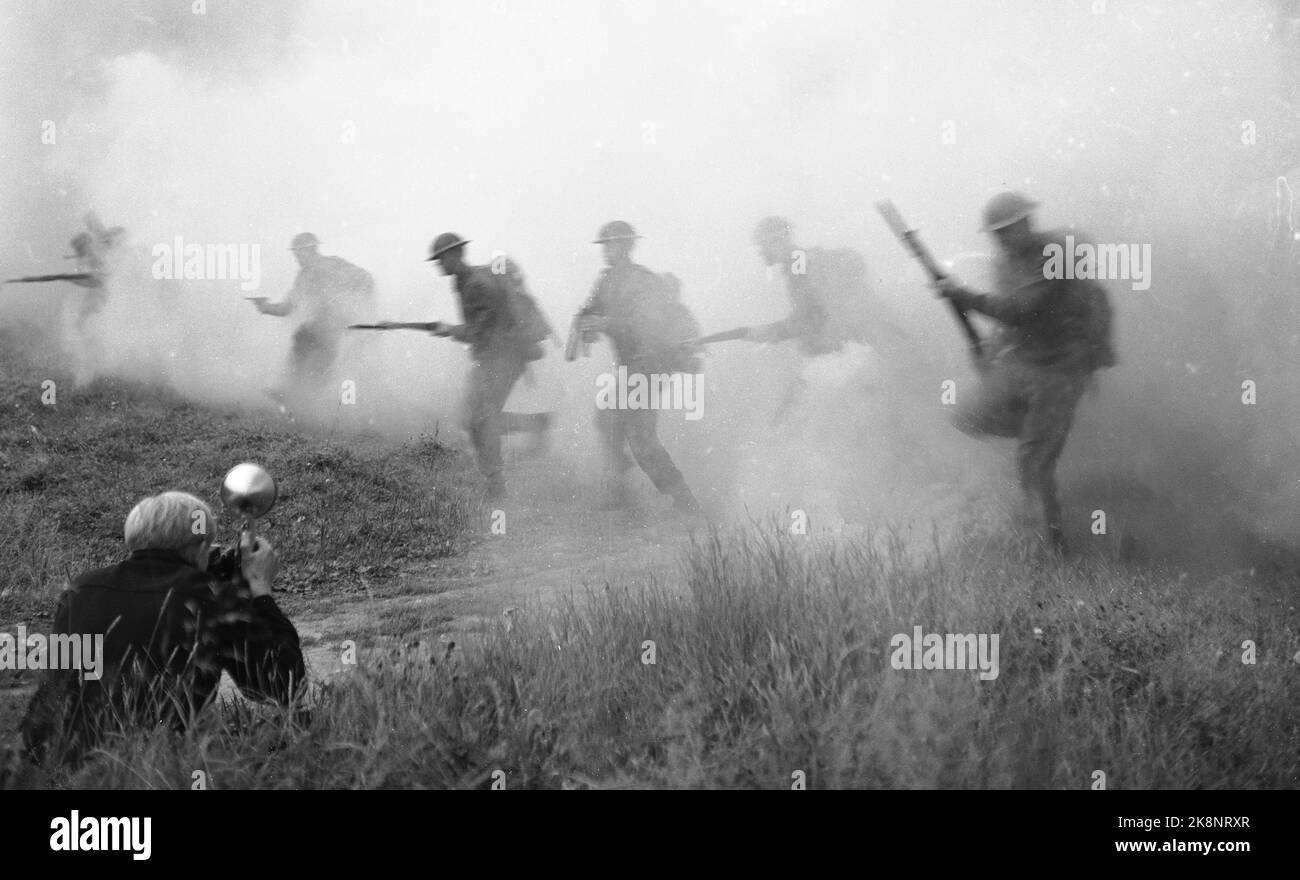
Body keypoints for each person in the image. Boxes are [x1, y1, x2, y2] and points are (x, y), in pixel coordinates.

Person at [19, 491, 305, 766]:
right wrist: (259, 590)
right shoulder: (209, 595)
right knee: (290, 732)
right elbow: (283, 685)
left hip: (62, 758)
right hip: (158, 764)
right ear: (200, 547)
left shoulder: (81, 588)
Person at [934, 191, 1117, 554]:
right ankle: (1038, 431)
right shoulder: (1008, 264)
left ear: (1028, 223)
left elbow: (1023, 309)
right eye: (997, 234)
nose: (1002, 240)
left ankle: (1052, 553)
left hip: (1062, 369)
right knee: (967, 417)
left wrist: (961, 295)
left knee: (1033, 466)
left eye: (1008, 230)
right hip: (1026, 364)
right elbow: (1012, 324)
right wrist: (993, 351)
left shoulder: (1058, 254)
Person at [572, 220, 702, 513]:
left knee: (642, 441)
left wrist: (604, 323)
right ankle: (622, 492)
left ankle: (686, 503)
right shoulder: (606, 280)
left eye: (613, 244)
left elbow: (645, 325)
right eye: (605, 245)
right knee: (607, 420)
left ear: (627, 246)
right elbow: (591, 308)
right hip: (631, 365)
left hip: (651, 364)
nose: (607, 251)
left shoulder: (643, 281)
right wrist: (585, 321)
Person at [427, 232, 553, 501]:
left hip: (503, 358)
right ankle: (534, 424)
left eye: (441, 258)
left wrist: (450, 330)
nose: (439, 264)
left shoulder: (475, 284)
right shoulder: (465, 282)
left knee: (481, 420)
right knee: (471, 418)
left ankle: (496, 486)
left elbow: (483, 333)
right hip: (495, 357)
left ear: (455, 255)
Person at [747, 216, 906, 423]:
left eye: (762, 244)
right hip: (854, 352)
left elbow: (811, 318)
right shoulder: (806, 262)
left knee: (798, 427)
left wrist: (767, 333)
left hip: (841, 358)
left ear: (778, 240)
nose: (760, 252)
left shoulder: (800, 265)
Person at [250, 232, 375, 403]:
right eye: (295, 253)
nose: (296, 258)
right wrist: (265, 308)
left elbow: (366, 279)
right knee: (304, 340)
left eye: (299, 253)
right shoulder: (304, 276)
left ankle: (306, 399)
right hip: (323, 323)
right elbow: (288, 307)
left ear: (311, 250)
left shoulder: (333, 264)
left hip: (335, 323)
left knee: (310, 345)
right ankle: (300, 396)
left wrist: (357, 306)